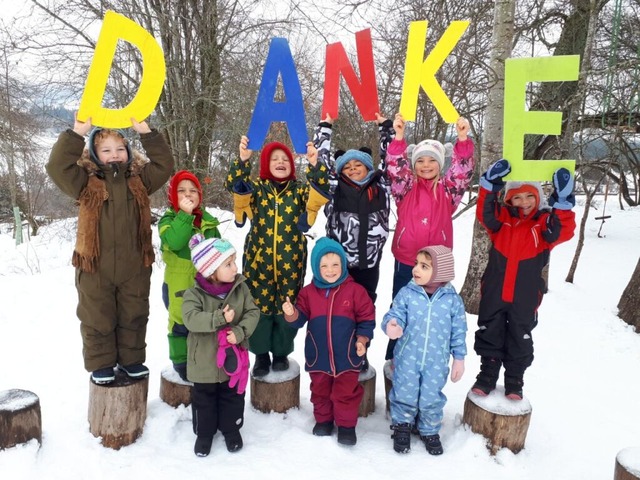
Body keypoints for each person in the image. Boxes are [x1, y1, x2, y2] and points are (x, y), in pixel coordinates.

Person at [46, 116, 174, 385]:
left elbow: (164, 165)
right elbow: (57, 167)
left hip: (134, 265)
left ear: (128, 151)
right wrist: (77, 132)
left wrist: (146, 133)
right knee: (97, 317)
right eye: (106, 150)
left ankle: (132, 360)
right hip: (95, 267)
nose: (114, 154)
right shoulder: (83, 183)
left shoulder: (140, 181)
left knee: (134, 314)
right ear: (94, 154)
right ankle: (101, 363)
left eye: (120, 148)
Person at [225, 136, 330, 377]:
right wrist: (242, 161)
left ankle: (281, 352)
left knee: (287, 307)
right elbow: (235, 185)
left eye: (285, 159)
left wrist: (316, 165)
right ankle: (261, 354)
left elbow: (322, 188)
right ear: (265, 164)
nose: (281, 162)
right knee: (258, 310)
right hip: (257, 263)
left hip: (291, 263)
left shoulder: (300, 191)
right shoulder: (257, 190)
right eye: (275, 159)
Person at [471, 160, 576, 400]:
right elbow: (484, 212)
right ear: (509, 200)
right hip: (495, 290)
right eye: (517, 197)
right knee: (490, 329)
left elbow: (564, 230)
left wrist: (562, 202)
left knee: (521, 333)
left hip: (525, 295)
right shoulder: (501, 222)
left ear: (539, 198)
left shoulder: (544, 225)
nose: (524, 202)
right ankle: (487, 373)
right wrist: (490, 185)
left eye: (530, 196)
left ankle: (514, 379)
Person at [384, 113, 474, 361]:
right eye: (420, 160)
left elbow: (462, 172)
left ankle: (427, 360)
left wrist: (463, 139)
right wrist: (399, 138)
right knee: (400, 311)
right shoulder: (404, 188)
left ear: (440, 164)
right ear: (413, 165)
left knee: (431, 316)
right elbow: (394, 167)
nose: (425, 165)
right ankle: (394, 358)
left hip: (437, 264)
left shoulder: (448, 190)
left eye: (431, 161)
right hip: (407, 261)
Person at [313, 112, 393, 371]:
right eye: (347, 166)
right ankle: (338, 351)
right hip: (340, 267)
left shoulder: (381, 186)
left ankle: (361, 350)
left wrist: (386, 130)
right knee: (339, 310)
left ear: (368, 167)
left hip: (370, 264)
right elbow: (321, 163)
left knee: (365, 309)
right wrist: (325, 128)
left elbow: (394, 161)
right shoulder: (335, 188)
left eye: (358, 165)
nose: (352, 169)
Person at [282, 237, 375, 446]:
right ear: (316, 267)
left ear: (343, 264)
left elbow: (367, 318)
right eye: (324, 266)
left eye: (335, 264)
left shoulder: (355, 291)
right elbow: (299, 320)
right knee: (320, 391)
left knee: (346, 393)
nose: (330, 270)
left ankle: (346, 426)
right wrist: (291, 313)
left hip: (347, 357)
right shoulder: (308, 293)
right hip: (319, 356)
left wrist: (362, 339)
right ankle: (323, 421)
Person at [381, 245, 467, 455]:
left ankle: (429, 429)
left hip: (436, 361)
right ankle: (402, 425)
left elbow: (459, 330)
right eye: (416, 264)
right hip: (408, 357)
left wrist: (459, 358)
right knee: (404, 392)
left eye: (424, 266)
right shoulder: (407, 293)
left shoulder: (452, 301)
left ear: (440, 272)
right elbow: (395, 313)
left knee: (431, 396)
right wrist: (392, 325)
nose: (416, 270)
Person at [182, 234, 259, 457]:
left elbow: (253, 312)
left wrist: (238, 331)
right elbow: (190, 319)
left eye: (235, 261)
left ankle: (231, 429)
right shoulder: (194, 294)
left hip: (232, 364)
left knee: (232, 397)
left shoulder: (240, 288)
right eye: (228, 263)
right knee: (203, 401)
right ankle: (204, 434)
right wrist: (218, 319)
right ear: (211, 270)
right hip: (203, 364)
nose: (235, 267)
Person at [159, 170, 220, 381]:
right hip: (178, 283)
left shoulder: (208, 222)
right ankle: (181, 361)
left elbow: (218, 251)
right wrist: (185, 216)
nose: (188, 194)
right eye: (182, 190)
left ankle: (203, 358)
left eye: (193, 190)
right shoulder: (168, 220)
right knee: (180, 323)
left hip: (204, 284)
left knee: (203, 322)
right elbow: (174, 242)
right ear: (172, 196)